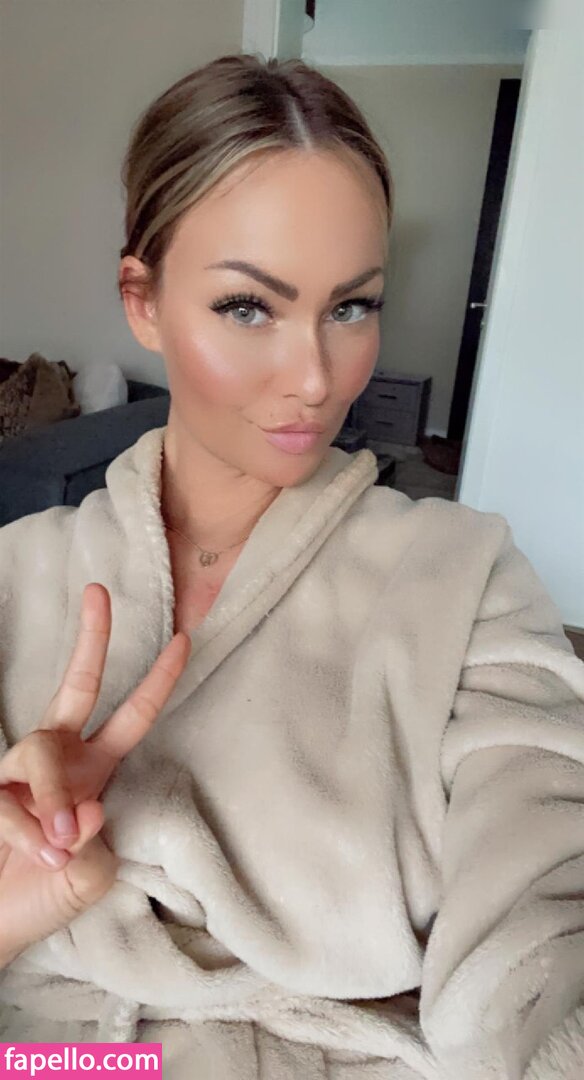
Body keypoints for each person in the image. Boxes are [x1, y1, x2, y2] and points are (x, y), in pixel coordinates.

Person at [0, 54, 583, 1080]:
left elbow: (540, 937)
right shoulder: (15, 578)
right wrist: (15, 904)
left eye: (351, 307)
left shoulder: (466, 580)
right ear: (141, 299)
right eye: (247, 307)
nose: (316, 378)